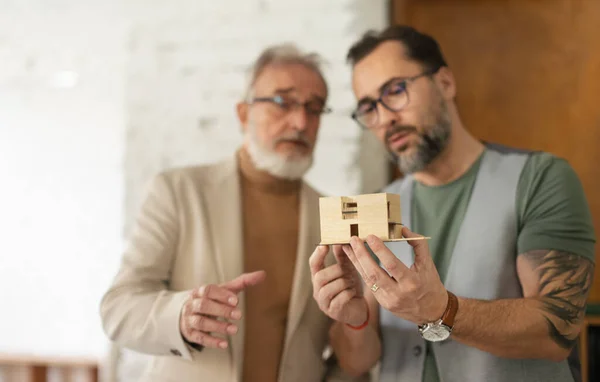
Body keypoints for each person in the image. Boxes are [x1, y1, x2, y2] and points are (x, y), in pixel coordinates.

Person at [310, 25, 596, 382]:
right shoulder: (378, 208)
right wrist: (354, 319)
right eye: (369, 107)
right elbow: (357, 362)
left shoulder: (541, 179)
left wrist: (441, 310)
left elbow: (558, 331)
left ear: (445, 83)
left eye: (395, 91)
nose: (385, 119)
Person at [100, 43, 363, 382]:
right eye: (283, 102)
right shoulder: (179, 192)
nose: (300, 122)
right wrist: (180, 315)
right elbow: (117, 309)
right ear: (243, 114)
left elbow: (345, 355)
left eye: (314, 108)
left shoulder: (335, 217)